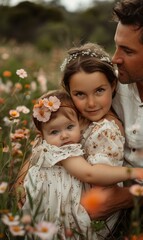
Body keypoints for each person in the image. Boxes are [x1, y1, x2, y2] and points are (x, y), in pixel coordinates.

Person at [23, 43, 143, 239]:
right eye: (80, 94)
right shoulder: (70, 121)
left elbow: (95, 179)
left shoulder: (105, 130)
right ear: (68, 92)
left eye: (99, 91)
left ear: (113, 86)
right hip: (60, 202)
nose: (91, 103)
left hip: (91, 212)